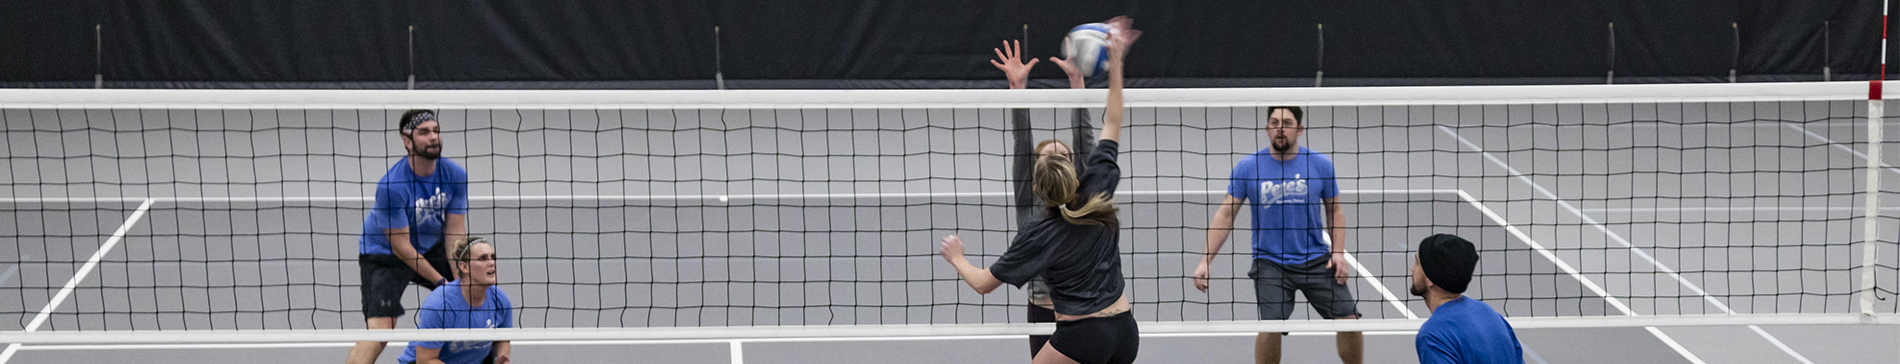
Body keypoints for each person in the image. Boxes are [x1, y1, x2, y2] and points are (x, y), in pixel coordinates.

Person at [940, 16, 1141, 364]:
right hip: (1109, 324)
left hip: (1080, 331)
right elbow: (1111, 122)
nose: (1058, 153)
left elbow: (984, 283)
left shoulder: (1037, 231)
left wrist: (957, 257)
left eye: (1062, 154)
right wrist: (1116, 62)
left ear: (1038, 184)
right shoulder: (1097, 191)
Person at [1192, 105, 1363, 364]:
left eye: (1286, 122)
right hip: (1270, 262)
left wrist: (1338, 253)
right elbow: (1225, 214)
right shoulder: (1248, 167)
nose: (1280, 128)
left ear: (1300, 129)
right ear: (1267, 128)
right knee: (1271, 326)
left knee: (1350, 321)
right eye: (1274, 122)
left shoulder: (1320, 164)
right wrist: (1205, 260)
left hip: (1316, 259)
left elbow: (1335, 211)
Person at [993, 36, 1099, 358]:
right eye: (1047, 160)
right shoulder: (1029, 199)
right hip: (1040, 310)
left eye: (1065, 159)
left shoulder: (1084, 198)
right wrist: (1018, 91)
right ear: (1035, 177)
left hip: (1083, 308)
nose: (1058, 163)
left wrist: (1077, 82)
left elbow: (1084, 140)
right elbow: (1022, 140)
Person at [348, 109, 472, 364]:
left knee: (474, 295)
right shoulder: (391, 186)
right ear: (407, 141)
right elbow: (401, 247)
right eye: (424, 132)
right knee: (381, 330)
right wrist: (440, 282)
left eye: (436, 131)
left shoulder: (455, 175)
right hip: (384, 253)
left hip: (430, 245)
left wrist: (462, 281)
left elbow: (455, 232)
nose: (433, 137)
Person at [400, 237, 514, 364]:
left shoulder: (500, 301)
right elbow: (425, 360)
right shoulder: (440, 305)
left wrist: (501, 357)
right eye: (483, 258)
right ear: (464, 267)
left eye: (493, 257)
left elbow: (502, 339)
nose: (491, 262)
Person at [1410, 234, 1522, 364]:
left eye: (1417, 263)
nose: (1412, 269)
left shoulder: (1433, 335)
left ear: (1430, 279)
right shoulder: (1490, 314)